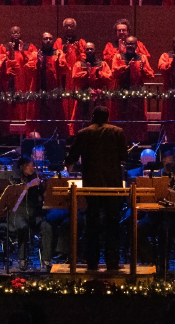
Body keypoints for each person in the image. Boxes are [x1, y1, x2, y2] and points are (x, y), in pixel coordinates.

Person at [65, 106, 127, 271]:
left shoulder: (84, 133)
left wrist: (68, 167)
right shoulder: (117, 132)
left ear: (93, 116)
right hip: (112, 184)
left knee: (92, 222)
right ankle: (112, 262)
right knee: (112, 222)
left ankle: (92, 261)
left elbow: (72, 156)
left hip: (92, 184)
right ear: (107, 117)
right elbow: (124, 156)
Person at [9, 157, 52, 270]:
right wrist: (30, 185)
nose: (32, 168)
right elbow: (15, 194)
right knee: (23, 228)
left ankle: (46, 259)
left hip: (33, 213)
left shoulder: (36, 178)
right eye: (29, 166)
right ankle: (22, 259)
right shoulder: (15, 178)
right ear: (22, 167)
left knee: (47, 227)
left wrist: (46, 185)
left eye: (33, 166)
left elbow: (45, 195)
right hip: (18, 213)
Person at [111, 36, 154, 142]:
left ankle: (137, 141)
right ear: (125, 45)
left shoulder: (142, 58)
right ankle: (120, 140)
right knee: (121, 117)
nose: (130, 46)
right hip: (121, 92)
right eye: (128, 44)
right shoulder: (118, 57)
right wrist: (126, 66)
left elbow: (150, 75)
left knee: (137, 118)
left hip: (137, 94)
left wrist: (142, 70)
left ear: (136, 45)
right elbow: (113, 73)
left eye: (132, 44)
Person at [0, 26, 38, 121]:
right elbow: (0, 62)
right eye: (13, 32)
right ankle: (10, 132)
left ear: (21, 34)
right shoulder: (4, 47)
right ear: (10, 34)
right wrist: (10, 53)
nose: (16, 34)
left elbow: (33, 61)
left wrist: (23, 52)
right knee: (10, 103)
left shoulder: (29, 46)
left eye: (18, 32)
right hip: (10, 79)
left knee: (23, 102)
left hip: (24, 80)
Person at [70, 42, 111, 135]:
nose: (89, 51)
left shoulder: (102, 64)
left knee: (99, 118)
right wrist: (86, 73)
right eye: (87, 49)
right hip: (84, 96)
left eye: (91, 49)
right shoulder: (79, 64)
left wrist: (98, 73)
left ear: (94, 50)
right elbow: (74, 78)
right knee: (83, 118)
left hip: (99, 97)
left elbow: (109, 77)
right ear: (84, 51)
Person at [35, 32, 69, 138]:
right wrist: (39, 62)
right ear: (42, 40)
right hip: (41, 89)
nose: (48, 40)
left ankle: (57, 136)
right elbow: (31, 71)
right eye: (46, 38)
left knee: (56, 114)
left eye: (50, 38)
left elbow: (64, 69)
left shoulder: (58, 53)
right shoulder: (37, 53)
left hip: (55, 89)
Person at [53, 18, 87, 120]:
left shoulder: (80, 42)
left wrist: (78, 52)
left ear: (75, 27)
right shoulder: (59, 42)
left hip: (76, 75)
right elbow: (55, 58)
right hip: (64, 75)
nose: (69, 28)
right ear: (63, 28)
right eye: (67, 26)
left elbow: (85, 59)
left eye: (71, 26)